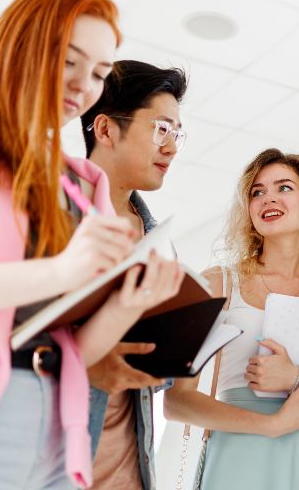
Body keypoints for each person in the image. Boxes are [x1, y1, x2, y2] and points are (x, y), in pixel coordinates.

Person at [0, 0, 183, 489]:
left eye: (101, 73)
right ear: (22, 41)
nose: (84, 85)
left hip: (60, 430)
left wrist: (130, 300)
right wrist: (59, 271)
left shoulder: (79, 185)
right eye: (70, 62)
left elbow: (74, 347)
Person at [164, 148, 299, 489]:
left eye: (284, 187)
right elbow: (176, 401)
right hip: (237, 455)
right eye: (257, 192)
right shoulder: (217, 283)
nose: (268, 198)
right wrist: (270, 425)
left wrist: (297, 378)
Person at [81, 60, 188, 489]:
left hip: (130, 469)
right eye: (162, 129)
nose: (172, 147)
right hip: (51, 465)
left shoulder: (160, 244)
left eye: (177, 134)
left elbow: (152, 379)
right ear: (106, 130)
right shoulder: (50, 220)